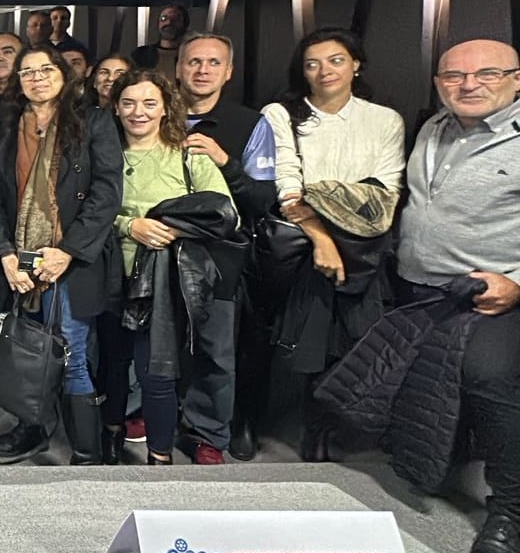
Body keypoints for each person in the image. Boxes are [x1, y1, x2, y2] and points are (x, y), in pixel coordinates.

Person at [391, 39, 520, 553]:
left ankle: (512, 512)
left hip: (493, 294)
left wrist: (517, 283)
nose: (468, 84)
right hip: (423, 287)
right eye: (454, 76)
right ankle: (439, 463)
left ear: (516, 79)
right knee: (432, 384)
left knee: (490, 381)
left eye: (486, 73)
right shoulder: (434, 127)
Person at [260, 27, 404, 462]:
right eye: (313, 64)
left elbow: (385, 191)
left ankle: (348, 424)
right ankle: (316, 428)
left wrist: (323, 196)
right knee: (312, 339)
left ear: (356, 64)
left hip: (365, 243)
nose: (325, 71)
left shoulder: (385, 120)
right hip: (304, 240)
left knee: (361, 335)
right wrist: (322, 234)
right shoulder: (281, 114)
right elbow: (288, 185)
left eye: (336, 60)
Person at [0, 44, 123, 464]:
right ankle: (32, 429)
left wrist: (68, 252)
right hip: (17, 262)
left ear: (63, 74)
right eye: (27, 72)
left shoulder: (93, 121)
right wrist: (4, 254)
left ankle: (86, 452)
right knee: (25, 352)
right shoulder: (5, 125)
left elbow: (106, 194)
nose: (37, 78)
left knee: (71, 352)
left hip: (70, 262)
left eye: (45, 70)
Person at [104, 69, 236, 466]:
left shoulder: (187, 155)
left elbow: (225, 214)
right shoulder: (101, 155)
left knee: (155, 373)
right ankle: (110, 441)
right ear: (115, 107)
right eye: (128, 103)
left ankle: (159, 460)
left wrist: (172, 227)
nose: (138, 112)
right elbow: (83, 213)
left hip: (163, 281)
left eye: (149, 103)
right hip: (108, 274)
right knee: (110, 366)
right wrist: (131, 225)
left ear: (165, 108)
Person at [176, 33, 278, 462]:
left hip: (219, 254)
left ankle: (208, 433)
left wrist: (225, 162)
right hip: (156, 247)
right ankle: (150, 414)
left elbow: (262, 199)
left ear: (229, 71)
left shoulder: (251, 124)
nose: (203, 70)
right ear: (178, 67)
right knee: (154, 340)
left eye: (214, 63)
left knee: (215, 350)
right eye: (194, 61)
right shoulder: (152, 111)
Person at [130, 3, 190, 72]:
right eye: (164, 18)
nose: (168, 22)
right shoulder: (141, 55)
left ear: (184, 24)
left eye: (175, 19)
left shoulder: (190, 54)